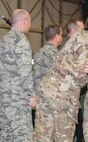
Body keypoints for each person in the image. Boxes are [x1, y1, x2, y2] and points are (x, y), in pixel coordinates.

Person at [33, 11, 88, 142]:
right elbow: (81, 74)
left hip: (47, 87)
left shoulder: (78, 35)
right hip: (63, 95)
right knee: (64, 137)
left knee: (42, 136)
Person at [0, 9, 36, 141]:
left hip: (4, 99)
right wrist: (31, 95)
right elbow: (25, 72)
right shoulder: (21, 41)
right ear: (26, 21)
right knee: (23, 137)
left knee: (6, 136)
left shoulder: (4, 40)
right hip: (18, 100)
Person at [33, 24, 63, 97]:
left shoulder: (38, 52)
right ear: (56, 37)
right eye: (61, 35)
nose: (62, 38)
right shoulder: (55, 54)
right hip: (50, 95)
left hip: (38, 93)